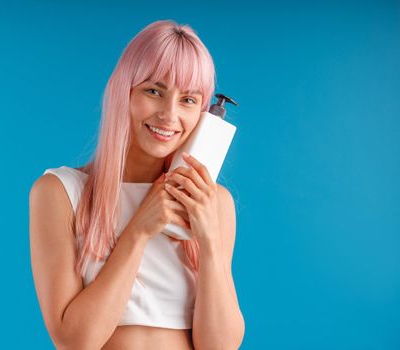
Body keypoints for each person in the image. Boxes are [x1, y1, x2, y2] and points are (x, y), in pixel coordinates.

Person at [29, 19, 245, 350]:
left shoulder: (214, 203)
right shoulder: (59, 192)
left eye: (188, 99)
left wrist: (209, 242)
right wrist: (139, 229)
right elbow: (75, 342)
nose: (169, 115)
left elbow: (221, 347)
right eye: (154, 91)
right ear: (123, 93)